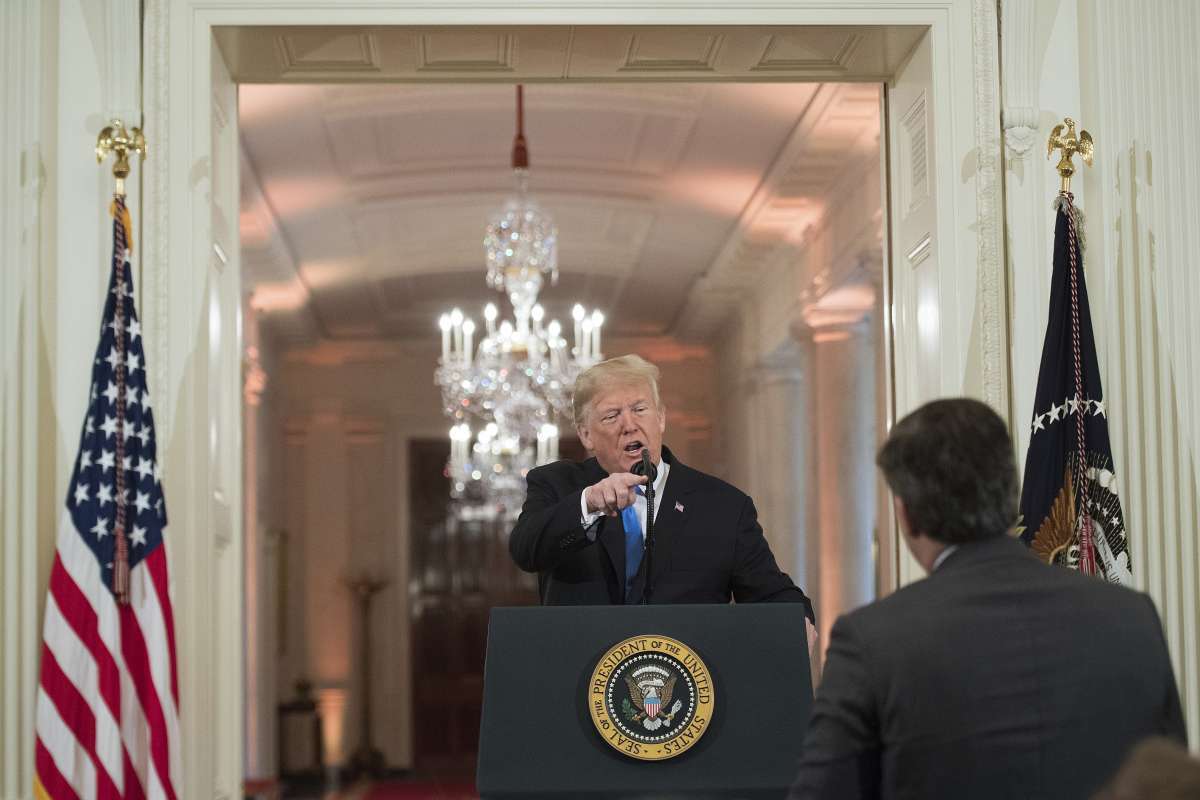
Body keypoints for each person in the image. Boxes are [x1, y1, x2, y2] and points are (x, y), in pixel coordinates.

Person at [790, 398, 1187, 800]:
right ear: (1011, 491)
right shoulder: (1132, 617)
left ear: (906, 514)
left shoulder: (870, 643)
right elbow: (1173, 784)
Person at [509, 354, 815, 631]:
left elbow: (772, 594)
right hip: (582, 679)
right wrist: (590, 503)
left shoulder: (723, 506)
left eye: (640, 409)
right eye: (611, 415)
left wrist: (796, 620)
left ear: (661, 418)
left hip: (687, 683)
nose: (629, 425)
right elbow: (525, 549)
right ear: (586, 434)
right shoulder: (556, 484)